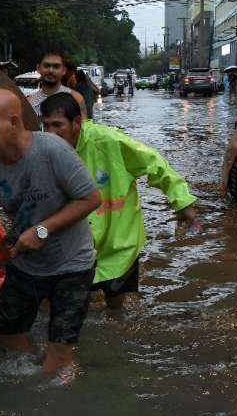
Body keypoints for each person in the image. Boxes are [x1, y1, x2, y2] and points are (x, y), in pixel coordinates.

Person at [0, 88, 101, 373]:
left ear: (14, 122)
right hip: (25, 264)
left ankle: (52, 393)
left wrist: (42, 230)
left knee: (58, 357)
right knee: (7, 333)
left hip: (72, 265)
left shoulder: (53, 150)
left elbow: (91, 199)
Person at [40, 92, 200, 312]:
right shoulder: (44, 151)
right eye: (45, 126)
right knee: (66, 306)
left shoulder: (108, 141)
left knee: (115, 308)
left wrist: (182, 203)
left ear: (77, 122)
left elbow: (155, 163)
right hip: (75, 244)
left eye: (57, 125)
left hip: (118, 241)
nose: (50, 133)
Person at [25, 50, 74, 117]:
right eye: (46, 66)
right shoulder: (29, 102)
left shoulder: (76, 99)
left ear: (64, 70)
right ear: (38, 68)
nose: (51, 70)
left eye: (56, 66)